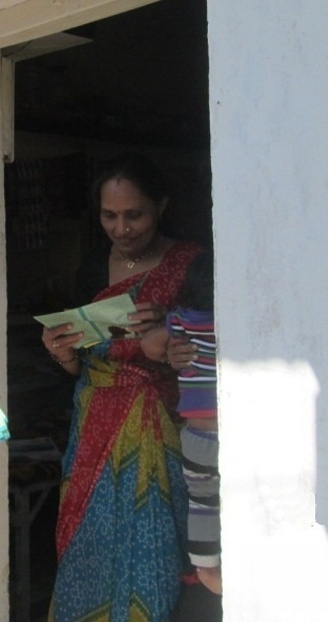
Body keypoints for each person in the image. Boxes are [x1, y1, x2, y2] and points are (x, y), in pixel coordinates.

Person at [41, 154, 201, 622]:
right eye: (109, 216)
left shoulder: (192, 266)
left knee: (153, 546)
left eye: (135, 214)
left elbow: (212, 351)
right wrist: (64, 356)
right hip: (93, 431)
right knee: (87, 542)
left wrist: (171, 337)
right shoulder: (91, 268)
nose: (122, 228)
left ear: (162, 206)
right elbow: (86, 361)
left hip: (162, 430)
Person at [141, 252, 222, 599]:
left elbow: (148, 344)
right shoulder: (238, 319)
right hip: (237, 435)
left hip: (196, 436)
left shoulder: (182, 321)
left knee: (203, 501)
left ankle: (206, 569)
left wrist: (169, 334)